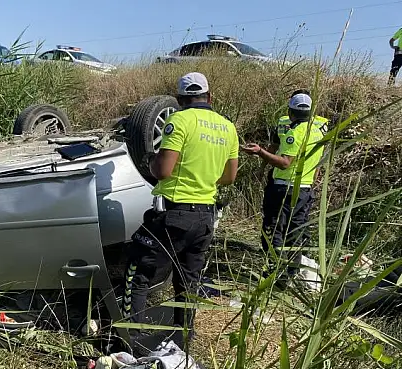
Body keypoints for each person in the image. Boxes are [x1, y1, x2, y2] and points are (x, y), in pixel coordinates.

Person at [121, 72, 239, 341]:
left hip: (174, 214)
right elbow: (230, 177)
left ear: (179, 99)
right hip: (206, 216)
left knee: (138, 274)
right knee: (188, 282)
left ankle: (133, 341)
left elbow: (163, 170)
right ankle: (183, 338)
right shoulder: (227, 127)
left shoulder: (179, 120)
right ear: (209, 97)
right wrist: (204, 177)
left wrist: (150, 159)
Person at [242, 93, 324, 275]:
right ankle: (290, 273)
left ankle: (275, 271)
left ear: (290, 112)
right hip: (304, 189)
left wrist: (260, 152)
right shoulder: (318, 132)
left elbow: (285, 162)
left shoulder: (294, 133)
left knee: (274, 230)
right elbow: (318, 165)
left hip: (284, 189)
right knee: (295, 232)